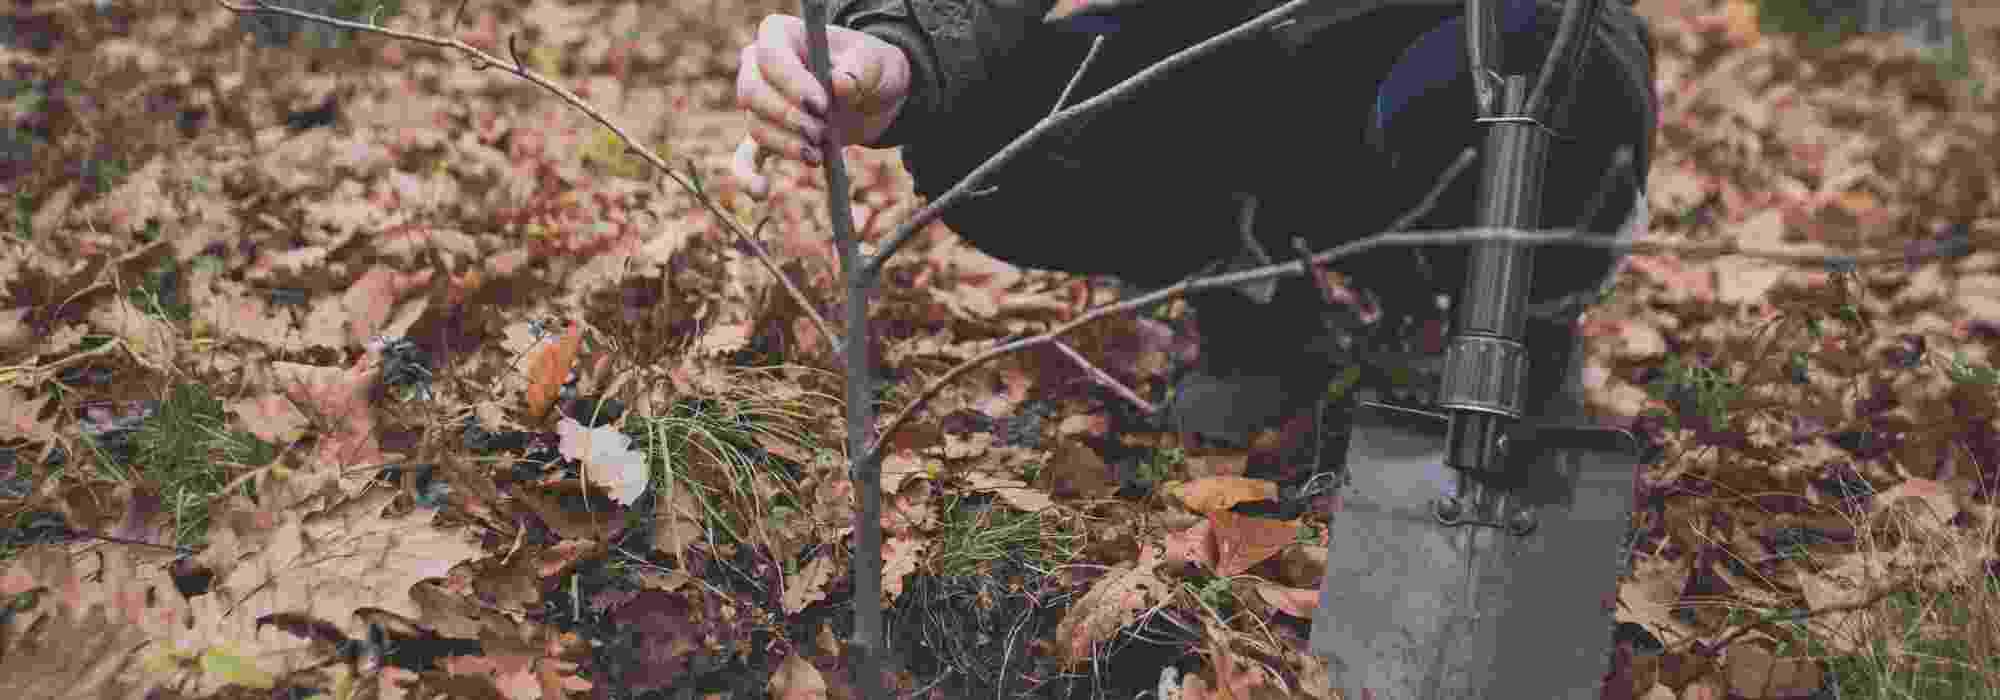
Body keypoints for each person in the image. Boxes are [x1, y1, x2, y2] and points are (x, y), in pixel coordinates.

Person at [731, 0, 1657, 447]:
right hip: (1245, 53)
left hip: (1464, 45)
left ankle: (1516, 330)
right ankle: (1255, 310)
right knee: (983, 135)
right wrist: (894, 49)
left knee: (1535, 72)